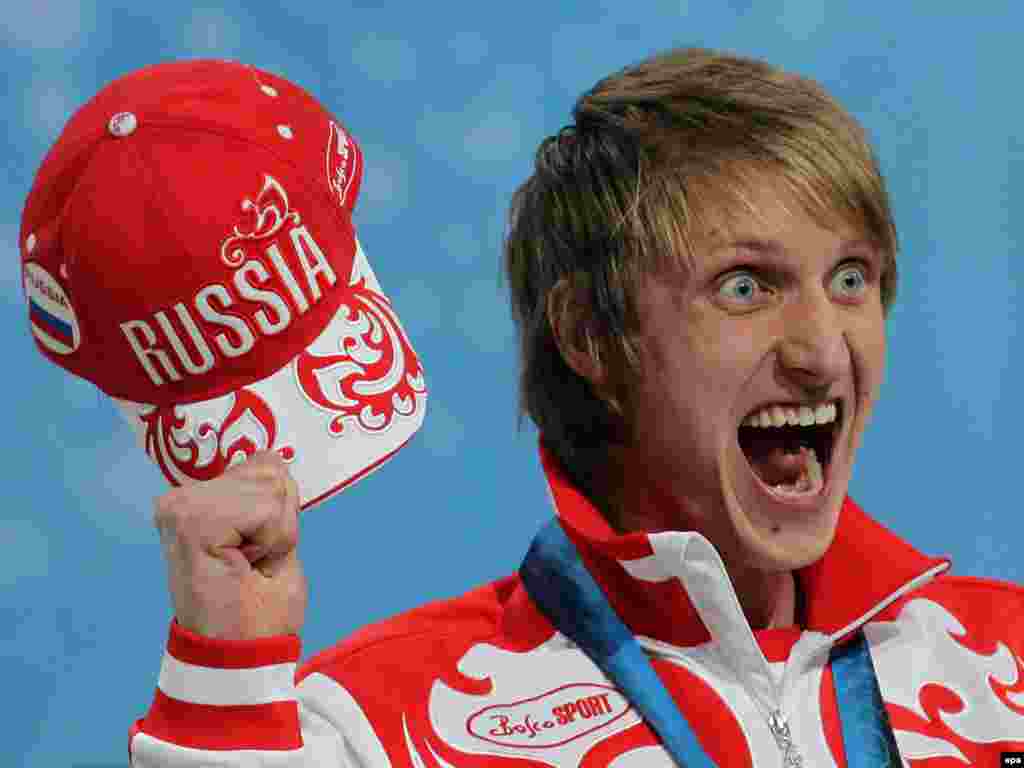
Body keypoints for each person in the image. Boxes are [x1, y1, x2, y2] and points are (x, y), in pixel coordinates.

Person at [21, 50, 1024, 767]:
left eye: (851, 279)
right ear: (591, 336)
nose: (819, 351)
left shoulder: (1004, 664)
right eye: (745, 287)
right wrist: (229, 671)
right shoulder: (374, 725)